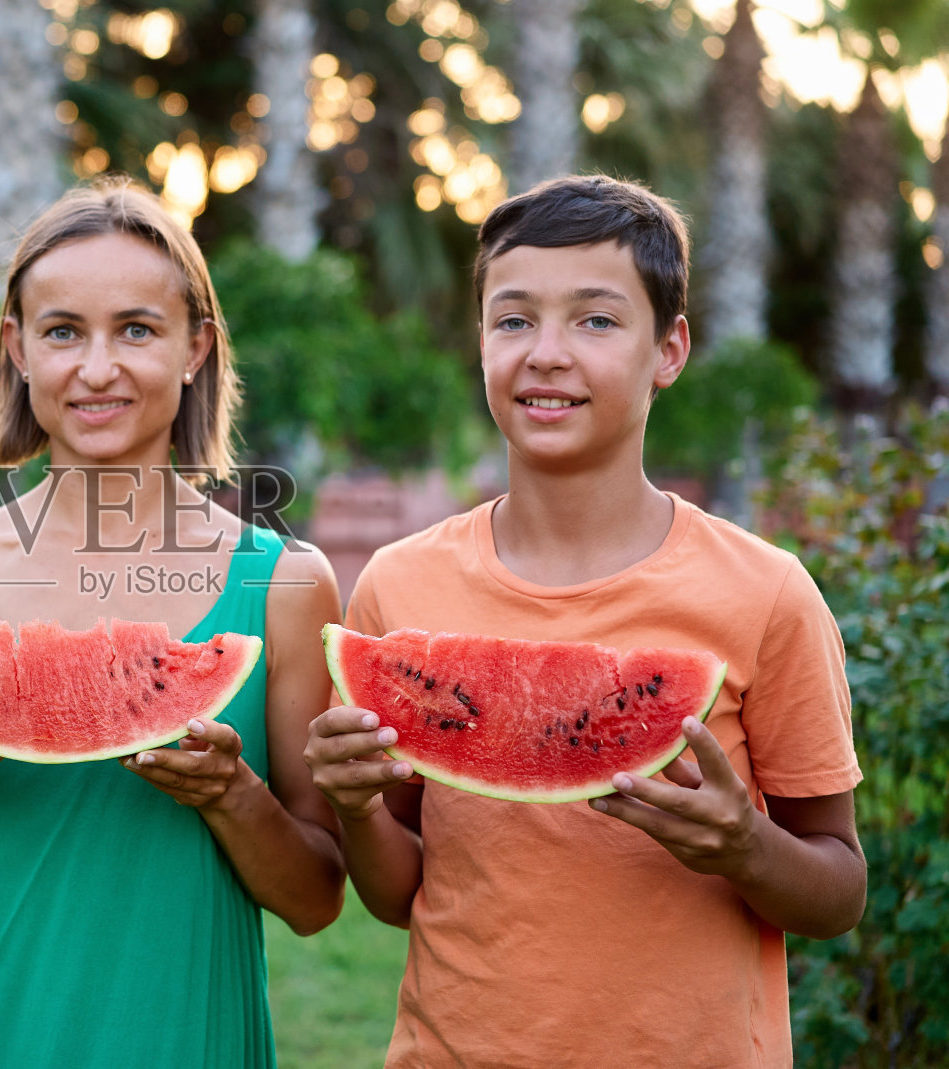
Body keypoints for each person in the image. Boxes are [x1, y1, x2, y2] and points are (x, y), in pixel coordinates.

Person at [303, 175, 865, 1068]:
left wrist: (743, 843)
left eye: (596, 320)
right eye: (513, 319)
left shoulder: (766, 593)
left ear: (668, 349)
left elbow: (837, 890)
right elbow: (400, 890)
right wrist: (355, 803)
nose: (546, 354)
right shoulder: (397, 588)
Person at [0, 179, 346, 1068]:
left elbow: (317, 897)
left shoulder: (285, 584)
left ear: (196, 347)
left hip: (182, 1036)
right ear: (17, 349)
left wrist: (229, 794)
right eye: (61, 332)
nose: (96, 368)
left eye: (136, 329)